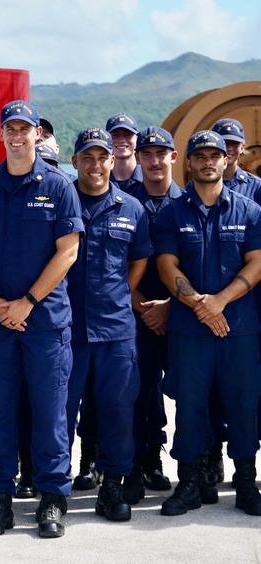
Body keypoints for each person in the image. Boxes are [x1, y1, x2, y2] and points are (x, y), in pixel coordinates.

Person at [0, 99, 83, 539]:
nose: (17, 136)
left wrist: (27, 302)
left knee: (50, 411)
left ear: (37, 134)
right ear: (1, 134)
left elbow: (67, 251)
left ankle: (52, 498)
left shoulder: (59, 185)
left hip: (44, 321)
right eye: (9, 129)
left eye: (24, 129)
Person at [153, 130, 261, 517]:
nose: (209, 161)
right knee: (190, 407)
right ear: (190, 162)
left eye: (216, 155)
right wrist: (199, 305)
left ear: (226, 160)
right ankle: (189, 484)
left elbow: (257, 261)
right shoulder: (171, 213)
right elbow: (167, 265)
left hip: (239, 329)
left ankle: (246, 484)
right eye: (201, 156)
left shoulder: (249, 210)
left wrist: (220, 301)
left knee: (243, 406)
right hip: (191, 330)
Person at [64, 128, 152, 522]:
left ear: (112, 162)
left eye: (102, 157)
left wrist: (121, 293)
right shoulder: (60, 202)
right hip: (65, 327)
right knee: (59, 411)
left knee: (118, 408)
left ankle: (113, 484)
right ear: (75, 161)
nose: (95, 164)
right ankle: (54, 487)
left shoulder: (131, 207)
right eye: (88, 157)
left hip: (115, 328)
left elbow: (138, 259)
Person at [127, 126, 181, 503]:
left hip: (185, 315)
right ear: (137, 158)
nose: (154, 160)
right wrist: (143, 306)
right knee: (139, 393)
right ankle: (144, 461)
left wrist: (171, 307)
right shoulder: (124, 201)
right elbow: (113, 263)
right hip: (137, 314)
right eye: (146, 154)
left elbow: (204, 266)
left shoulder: (191, 202)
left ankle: (202, 463)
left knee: (194, 392)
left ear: (173, 157)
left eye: (161, 153)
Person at [106, 113, 143, 194]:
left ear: (137, 139)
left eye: (128, 134)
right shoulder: (98, 181)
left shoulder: (149, 180)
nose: (121, 140)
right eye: (115, 135)